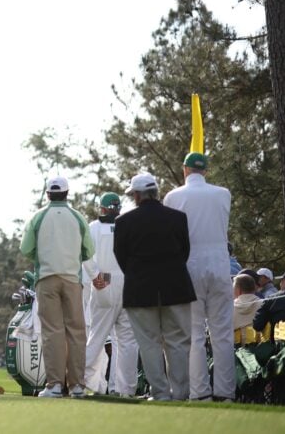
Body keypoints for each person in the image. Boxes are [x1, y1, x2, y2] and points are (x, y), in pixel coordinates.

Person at [113, 172, 196, 402]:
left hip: (140, 291)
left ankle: (160, 393)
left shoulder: (123, 222)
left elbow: (122, 258)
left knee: (149, 344)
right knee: (178, 342)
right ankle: (180, 394)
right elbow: (184, 252)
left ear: (137, 195)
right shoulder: (178, 218)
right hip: (176, 288)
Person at [163, 152, 234, 402]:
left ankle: (200, 392)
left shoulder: (173, 196)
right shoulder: (223, 193)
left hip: (190, 266)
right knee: (222, 332)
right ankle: (225, 392)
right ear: (205, 170)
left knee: (193, 333)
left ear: (184, 170)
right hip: (219, 265)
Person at [20, 176, 94, 399]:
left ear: (48, 194)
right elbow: (89, 252)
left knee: (53, 333)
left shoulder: (38, 217)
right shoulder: (78, 217)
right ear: (67, 193)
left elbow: (26, 249)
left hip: (46, 279)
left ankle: (54, 386)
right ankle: (77, 386)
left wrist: (41, 257)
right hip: (72, 280)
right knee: (76, 333)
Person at [82, 192, 138, 396]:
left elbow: (85, 255)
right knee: (128, 340)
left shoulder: (93, 228)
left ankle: (79, 382)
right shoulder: (130, 226)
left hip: (103, 280)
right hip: (127, 281)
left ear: (102, 208)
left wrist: (96, 276)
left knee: (97, 336)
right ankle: (126, 389)